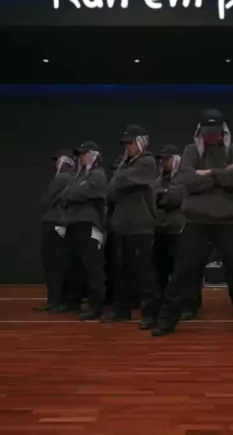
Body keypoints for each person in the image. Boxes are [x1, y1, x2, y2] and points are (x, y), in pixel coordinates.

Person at [153, 109, 233, 337]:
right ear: (201, 132)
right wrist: (222, 174)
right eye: (207, 132)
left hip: (227, 221)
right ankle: (166, 320)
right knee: (182, 272)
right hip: (196, 220)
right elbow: (189, 181)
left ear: (222, 131)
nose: (211, 136)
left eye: (215, 132)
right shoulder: (190, 151)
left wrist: (206, 174)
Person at [105, 125, 161, 329]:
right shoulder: (126, 164)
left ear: (140, 142)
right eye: (126, 144)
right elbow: (110, 191)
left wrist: (120, 176)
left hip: (140, 224)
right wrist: (120, 176)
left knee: (144, 271)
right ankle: (122, 309)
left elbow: (121, 181)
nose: (127, 147)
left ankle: (151, 313)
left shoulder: (147, 162)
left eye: (130, 143)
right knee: (123, 271)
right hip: (122, 224)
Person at [59, 141, 109, 320]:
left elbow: (79, 193)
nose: (81, 157)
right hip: (75, 223)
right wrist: (74, 191)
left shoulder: (98, 174)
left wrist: (73, 192)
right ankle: (75, 301)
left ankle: (97, 306)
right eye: (80, 154)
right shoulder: (80, 175)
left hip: (89, 224)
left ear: (93, 154)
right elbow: (64, 195)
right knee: (76, 265)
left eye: (84, 153)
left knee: (92, 266)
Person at [35, 149, 77, 313]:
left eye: (58, 160)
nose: (56, 163)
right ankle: (61, 299)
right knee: (62, 263)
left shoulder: (62, 177)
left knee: (53, 264)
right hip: (64, 224)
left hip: (54, 223)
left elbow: (45, 201)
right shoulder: (75, 177)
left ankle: (55, 300)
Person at [153, 144, 184, 294]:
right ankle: (162, 298)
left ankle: (180, 300)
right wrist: (163, 194)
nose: (164, 162)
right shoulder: (159, 180)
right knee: (160, 269)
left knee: (180, 269)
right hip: (160, 229)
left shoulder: (183, 178)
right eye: (163, 160)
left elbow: (174, 199)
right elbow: (152, 197)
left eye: (167, 159)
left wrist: (161, 196)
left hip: (177, 230)